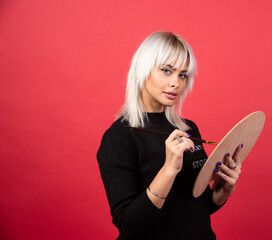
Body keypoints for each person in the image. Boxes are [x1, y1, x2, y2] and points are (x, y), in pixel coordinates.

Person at [97, 31, 242, 240]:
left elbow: (196, 209)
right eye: (167, 70)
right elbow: (129, 225)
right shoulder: (119, 138)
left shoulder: (189, 128)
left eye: (182, 74)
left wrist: (224, 190)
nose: (176, 82)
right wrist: (169, 170)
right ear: (143, 71)